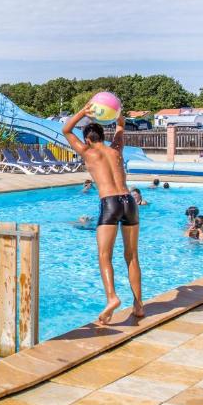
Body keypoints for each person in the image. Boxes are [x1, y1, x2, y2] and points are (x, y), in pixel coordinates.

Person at [62, 100, 143, 326]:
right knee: (132, 256)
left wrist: (83, 111)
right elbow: (120, 126)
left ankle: (112, 297)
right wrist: (117, 114)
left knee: (104, 255)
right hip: (129, 201)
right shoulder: (115, 149)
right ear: (102, 136)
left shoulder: (87, 151)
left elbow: (66, 129)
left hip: (109, 203)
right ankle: (138, 306)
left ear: (87, 138)